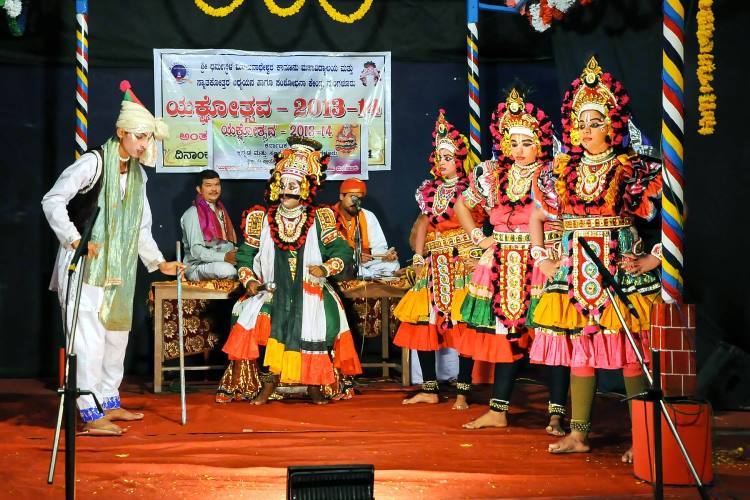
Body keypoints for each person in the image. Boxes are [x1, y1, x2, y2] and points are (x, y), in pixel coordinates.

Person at [529, 57, 662, 457]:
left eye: (595, 122)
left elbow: (675, 213)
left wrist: (653, 260)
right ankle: (578, 434)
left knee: (629, 354)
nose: (585, 130)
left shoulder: (631, 168)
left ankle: (643, 440)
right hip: (574, 272)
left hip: (620, 271)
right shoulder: (561, 169)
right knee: (580, 352)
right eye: (580, 122)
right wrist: (542, 258)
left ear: (612, 125)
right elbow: (538, 214)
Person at [42, 80, 183, 436]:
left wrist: (158, 263)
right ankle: (89, 412)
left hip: (119, 272)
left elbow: (141, 227)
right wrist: (74, 240)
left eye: (148, 138)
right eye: (138, 137)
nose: (144, 144)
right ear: (120, 132)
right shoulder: (94, 163)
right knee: (87, 341)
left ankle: (108, 400)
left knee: (115, 335)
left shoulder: (138, 175)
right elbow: (52, 200)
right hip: (85, 269)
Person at [454, 88, 570, 433]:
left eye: (526, 142)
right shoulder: (491, 173)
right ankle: (498, 409)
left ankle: (557, 413)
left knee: (553, 334)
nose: (518, 151)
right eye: (513, 142)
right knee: (505, 335)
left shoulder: (554, 174)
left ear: (541, 142)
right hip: (501, 262)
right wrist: (478, 235)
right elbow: (463, 204)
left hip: (542, 260)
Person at [219, 136, 362, 405]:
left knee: (326, 318)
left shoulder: (321, 218)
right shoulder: (260, 219)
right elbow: (246, 255)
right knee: (254, 316)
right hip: (271, 289)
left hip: (310, 288)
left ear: (306, 188)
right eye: (283, 186)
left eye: (293, 187)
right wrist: (249, 280)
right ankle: (268, 382)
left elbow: (341, 251)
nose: (287, 192)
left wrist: (325, 268)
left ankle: (314, 383)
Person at [393, 109, 484, 406]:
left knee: (465, 323)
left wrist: (481, 253)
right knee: (423, 321)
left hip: (463, 263)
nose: (441, 163)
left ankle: (463, 392)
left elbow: (485, 222)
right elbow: (423, 224)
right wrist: (418, 257)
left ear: (458, 160)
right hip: (435, 263)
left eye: (447, 158)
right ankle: (430, 389)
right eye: (438, 157)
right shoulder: (429, 191)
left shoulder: (472, 189)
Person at [333, 178, 400, 278]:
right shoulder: (330, 216)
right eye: (352, 197)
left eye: (359, 199)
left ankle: (369, 275)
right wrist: (354, 257)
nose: (356, 202)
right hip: (342, 263)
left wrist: (385, 256)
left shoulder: (368, 216)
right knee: (345, 269)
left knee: (393, 265)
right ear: (342, 196)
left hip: (366, 264)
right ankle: (372, 276)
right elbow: (329, 250)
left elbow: (378, 246)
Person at [180, 169, 238, 281]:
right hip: (198, 266)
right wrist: (224, 257)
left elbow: (228, 244)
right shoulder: (192, 213)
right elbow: (196, 251)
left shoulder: (222, 211)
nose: (214, 189)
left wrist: (239, 255)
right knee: (228, 271)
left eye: (217, 184)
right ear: (199, 189)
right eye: (208, 185)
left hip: (224, 261)